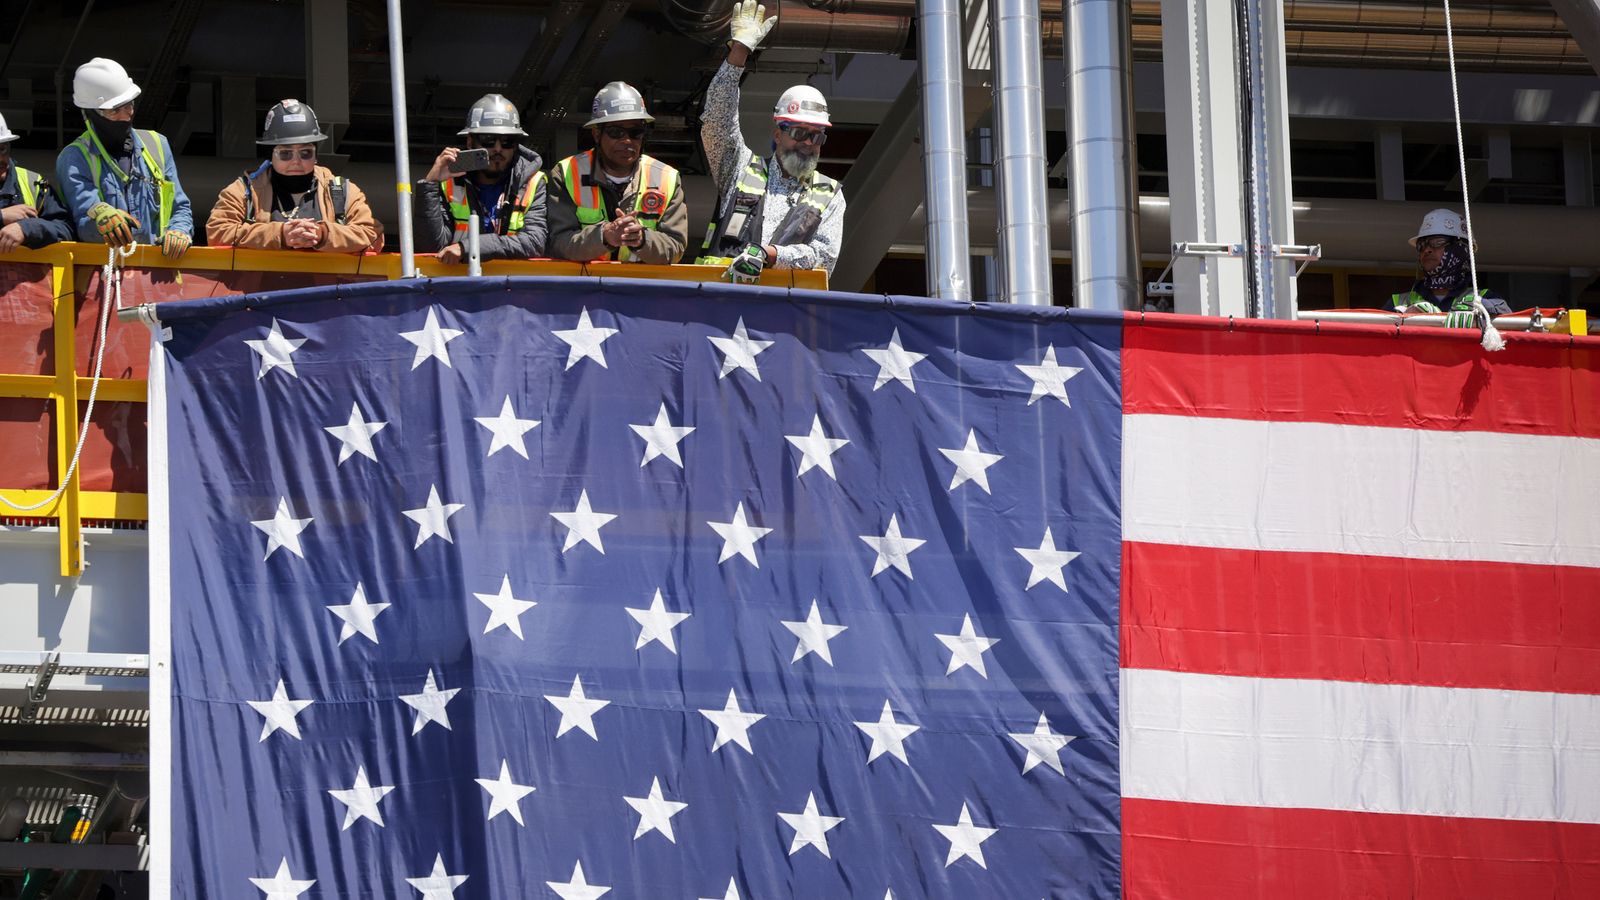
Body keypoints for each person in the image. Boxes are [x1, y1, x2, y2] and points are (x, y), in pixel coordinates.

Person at [698, 0, 846, 283]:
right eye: (799, 133)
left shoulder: (831, 195)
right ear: (777, 134)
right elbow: (716, 123)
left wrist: (772, 254)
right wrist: (738, 53)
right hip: (720, 307)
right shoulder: (740, 169)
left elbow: (825, 259)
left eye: (816, 135)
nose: (808, 143)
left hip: (783, 317)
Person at [54, 57, 193, 258]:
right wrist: (100, 218)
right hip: (103, 275)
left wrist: (180, 230)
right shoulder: (75, 158)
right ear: (91, 114)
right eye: (115, 109)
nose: (127, 114)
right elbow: (83, 223)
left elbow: (180, 206)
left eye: (129, 104)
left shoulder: (157, 145)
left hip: (156, 273)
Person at [206, 99, 383, 252]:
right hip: (261, 290)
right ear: (270, 155)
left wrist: (323, 235)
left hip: (327, 290)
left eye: (305, 153)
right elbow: (217, 232)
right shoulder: (243, 190)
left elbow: (373, 235)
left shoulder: (342, 191)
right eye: (285, 154)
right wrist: (280, 235)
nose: (296, 161)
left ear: (315, 155)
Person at [547, 82, 687, 264]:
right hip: (584, 287)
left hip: (640, 288)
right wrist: (605, 236)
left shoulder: (666, 178)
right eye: (616, 132)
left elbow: (675, 247)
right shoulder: (565, 173)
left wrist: (642, 239)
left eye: (635, 132)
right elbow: (558, 242)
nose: (627, 140)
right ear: (597, 134)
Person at [416, 94, 547, 263]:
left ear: (515, 145)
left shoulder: (533, 182)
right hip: (460, 286)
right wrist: (430, 184)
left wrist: (468, 247)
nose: (498, 148)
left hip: (513, 287)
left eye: (507, 141)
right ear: (470, 142)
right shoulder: (448, 182)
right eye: (488, 140)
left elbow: (534, 243)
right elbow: (430, 247)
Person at [1390, 208, 1511, 328]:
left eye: (1437, 242)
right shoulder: (1398, 302)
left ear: (1460, 250)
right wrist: (1406, 316)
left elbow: (1513, 328)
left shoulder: (1487, 299)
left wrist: (1481, 312)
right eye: (1422, 245)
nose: (1427, 250)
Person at [0, 113, 74, 253]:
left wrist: (27, 228)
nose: (0, 158)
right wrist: (2, 216)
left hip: (24, 274)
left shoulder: (32, 182)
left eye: (2, 149)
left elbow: (65, 227)